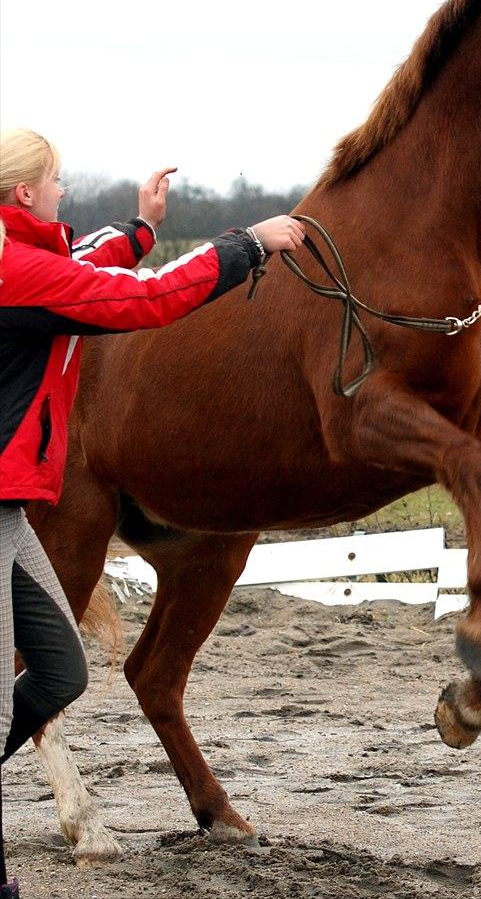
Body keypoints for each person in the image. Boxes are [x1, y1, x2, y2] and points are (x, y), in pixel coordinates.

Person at [0, 128, 306, 896]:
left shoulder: (29, 256)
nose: (65, 189)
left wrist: (143, 227)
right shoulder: (15, 270)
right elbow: (142, 300)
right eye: (56, 180)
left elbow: (88, 261)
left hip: (14, 509)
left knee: (58, 671)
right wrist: (248, 244)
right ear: (25, 193)